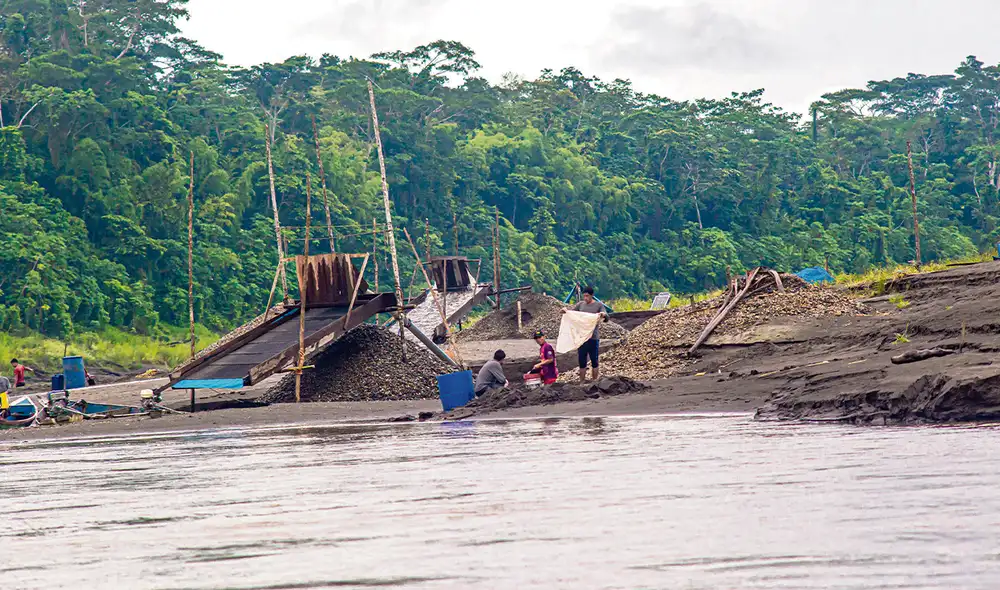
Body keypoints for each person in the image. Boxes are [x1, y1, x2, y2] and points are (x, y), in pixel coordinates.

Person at [563, 286, 607, 382]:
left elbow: (606, 316)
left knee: (594, 360)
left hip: (593, 337)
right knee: (582, 361)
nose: (585, 298)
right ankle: (582, 381)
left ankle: (595, 381)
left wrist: (603, 315)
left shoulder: (598, 305)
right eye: (584, 296)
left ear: (592, 295)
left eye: (587, 296)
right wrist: (566, 311)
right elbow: (572, 314)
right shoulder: (580, 305)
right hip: (582, 338)